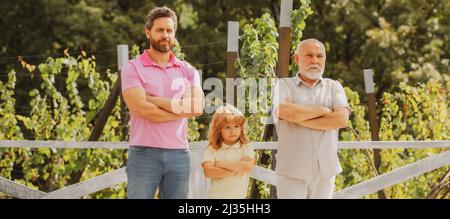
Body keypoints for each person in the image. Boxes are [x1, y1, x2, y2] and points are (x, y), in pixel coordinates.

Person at [121, 6, 204, 199]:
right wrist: (181, 110)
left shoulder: (188, 70)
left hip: (179, 154)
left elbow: (197, 107)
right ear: (148, 32)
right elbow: (142, 110)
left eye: (169, 30)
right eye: (160, 30)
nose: (165, 35)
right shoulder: (132, 68)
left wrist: (155, 100)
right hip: (143, 154)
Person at [272, 38, 351, 199]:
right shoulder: (283, 85)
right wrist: (323, 110)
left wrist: (299, 116)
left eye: (319, 56)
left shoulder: (334, 86)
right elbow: (286, 113)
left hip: (325, 172)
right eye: (309, 55)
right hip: (291, 171)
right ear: (297, 58)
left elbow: (341, 119)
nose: (315, 60)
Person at [201, 104, 256, 199]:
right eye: (227, 127)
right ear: (218, 130)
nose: (233, 131)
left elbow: (246, 167)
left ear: (241, 128)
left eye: (236, 126)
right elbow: (209, 172)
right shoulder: (212, 149)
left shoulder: (245, 147)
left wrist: (219, 164)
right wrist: (237, 169)